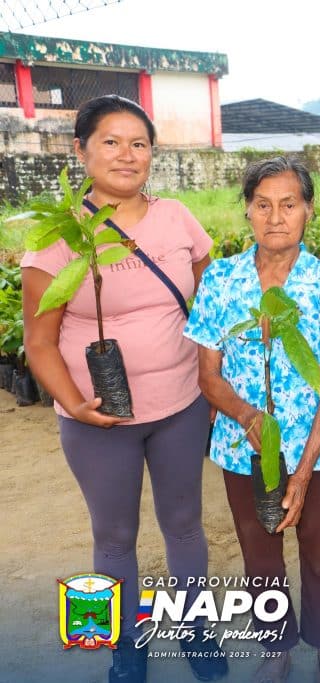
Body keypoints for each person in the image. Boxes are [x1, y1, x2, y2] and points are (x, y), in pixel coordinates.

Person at [21, 94, 226, 683]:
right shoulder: (58, 235)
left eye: (139, 144)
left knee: (185, 523)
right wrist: (75, 405)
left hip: (180, 406)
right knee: (113, 536)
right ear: (81, 150)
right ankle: (122, 647)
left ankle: (195, 632)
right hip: (96, 419)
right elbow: (39, 340)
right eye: (111, 141)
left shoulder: (177, 218)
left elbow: (210, 304)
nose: (127, 155)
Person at [185, 157, 320, 683]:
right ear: (247, 212)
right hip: (243, 447)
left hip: (316, 448)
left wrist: (303, 472)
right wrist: (247, 416)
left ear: (308, 211)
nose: (275, 217)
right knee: (259, 552)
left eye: (288, 205)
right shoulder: (221, 278)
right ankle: (275, 645)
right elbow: (207, 375)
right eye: (262, 205)